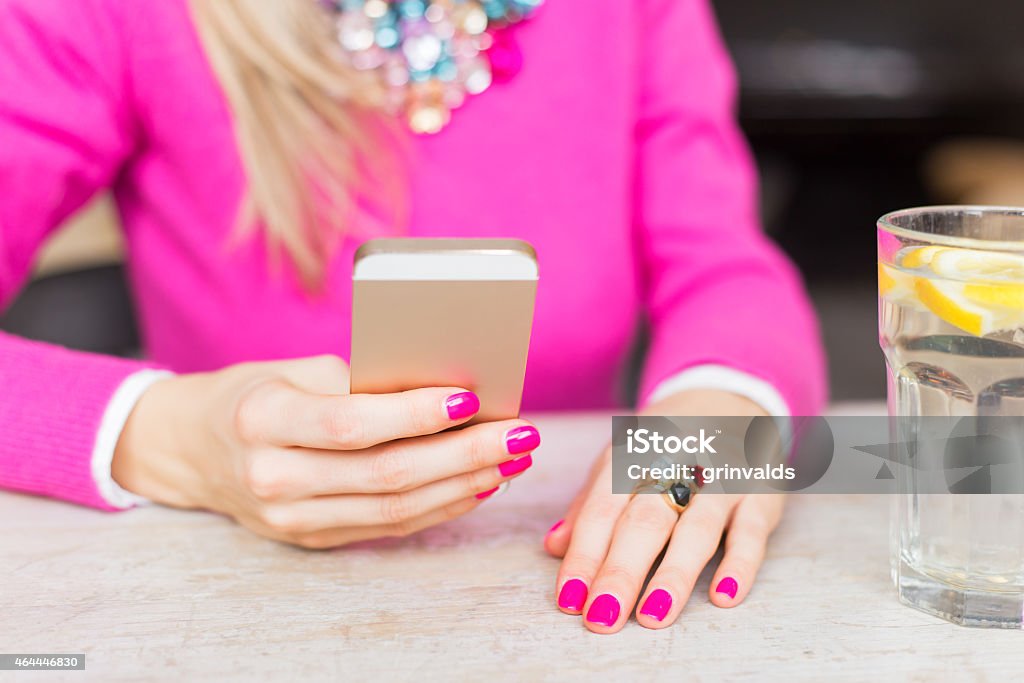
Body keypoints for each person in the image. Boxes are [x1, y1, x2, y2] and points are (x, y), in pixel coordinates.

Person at [0, 0, 826, 634]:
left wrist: (721, 409)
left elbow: (723, 266)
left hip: (541, 583)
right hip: (234, 599)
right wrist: (167, 436)